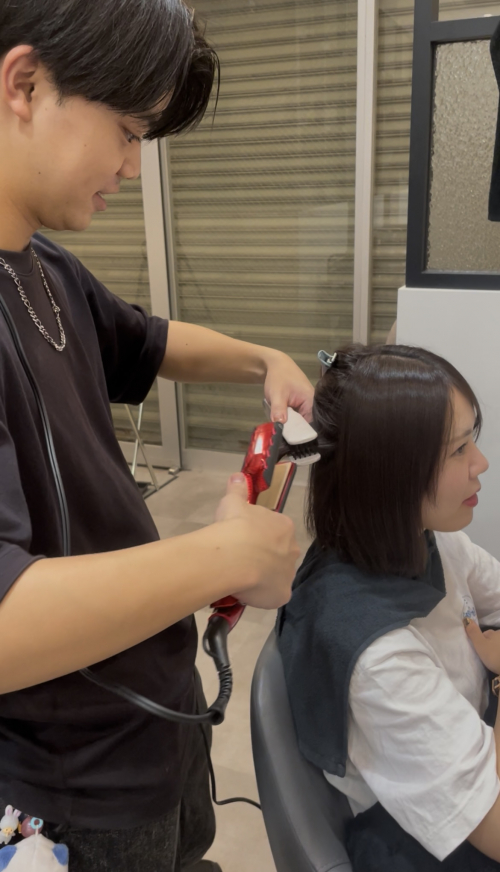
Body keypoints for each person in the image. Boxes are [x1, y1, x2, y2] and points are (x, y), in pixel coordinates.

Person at [0, 1, 313, 870]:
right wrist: (225, 556)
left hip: (156, 714)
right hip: (75, 783)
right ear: (25, 85)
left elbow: (149, 342)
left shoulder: (42, 265)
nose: (133, 168)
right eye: (128, 133)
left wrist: (262, 359)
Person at [278, 344, 500, 871]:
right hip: (429, 844)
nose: (481, 464)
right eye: (458, 450)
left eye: (472, 440)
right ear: (389, 475)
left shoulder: (428, 537)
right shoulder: (378, 656)